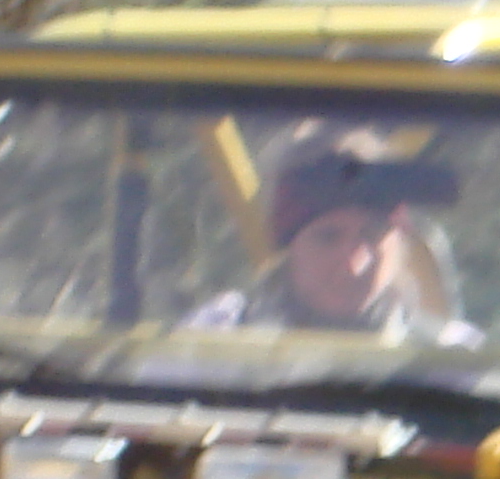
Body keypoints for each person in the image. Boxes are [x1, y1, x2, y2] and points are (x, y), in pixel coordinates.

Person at [184, 124, 465, 337]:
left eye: (372, 235)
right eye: (328, 238)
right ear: (290, 249)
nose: (355, 265)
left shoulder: (452, 362)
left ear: (399, 245)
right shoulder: (213, 344)